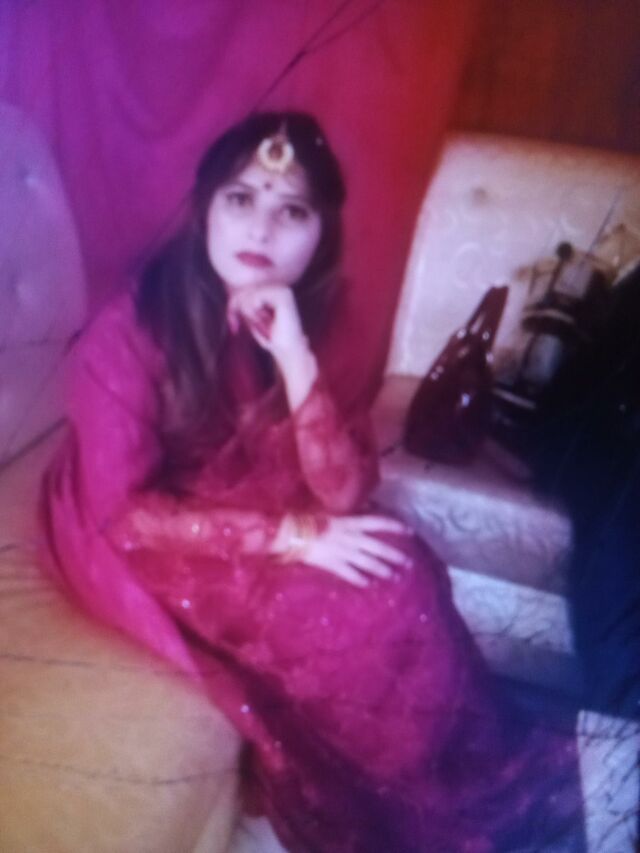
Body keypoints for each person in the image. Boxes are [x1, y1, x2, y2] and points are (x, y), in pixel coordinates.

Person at [41, 111, 581, 852]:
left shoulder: (300, 311)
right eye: (240, 199)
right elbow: (123, 516)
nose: (261, 229)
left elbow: (344, 493)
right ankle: (424, 810)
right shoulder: (128, 329)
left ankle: (467, 776)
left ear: (321, 233)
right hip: (132, 529)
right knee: (358, 615)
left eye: (292, 211)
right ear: (204, 208)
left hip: (228, 497)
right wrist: (295, 536)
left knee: (400, 565)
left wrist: (294, 356)